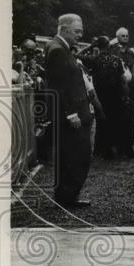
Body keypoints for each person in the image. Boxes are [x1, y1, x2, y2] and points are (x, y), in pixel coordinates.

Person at [42, 14, 93, 207]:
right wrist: (71, 114)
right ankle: (67, 197)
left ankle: (66, 196)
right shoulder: (57, 50)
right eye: (77, 31)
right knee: (78, 155)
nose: (80, 35)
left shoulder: (58, 47)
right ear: (63, 29)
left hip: (73, 111)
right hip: (71, 114)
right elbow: (58, 86)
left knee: (71, 155)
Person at [88, 36, 126, 159]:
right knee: (116, 120)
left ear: (97, 46)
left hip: (101, 95)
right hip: (116, 94)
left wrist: (90, 46)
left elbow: (75, 55)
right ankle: (118, 149)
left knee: (102, 122)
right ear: (109, 45)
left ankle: (103, 150)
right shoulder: (116, 60)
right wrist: (125, 95)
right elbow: (122, 80)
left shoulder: (94, 60)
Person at [114, 26, 134, 157]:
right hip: (120, 88)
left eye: (127, 35)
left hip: (130, 87)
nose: (125, 38)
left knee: (130, 117)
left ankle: (129, 145)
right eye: (123, 36)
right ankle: (120, 146)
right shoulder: (114, 52)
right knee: (121, 117)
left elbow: (132, 68)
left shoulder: (130, 52)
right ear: (117, 37)